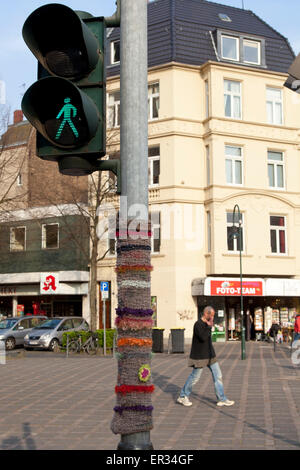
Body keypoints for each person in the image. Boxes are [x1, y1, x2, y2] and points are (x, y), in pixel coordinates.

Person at [177, 306, 235, 407]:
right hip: (200, 356)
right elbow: (203, 337)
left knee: (218, 376)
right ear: (206, 314)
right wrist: (209, 326)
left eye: (213, 315)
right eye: (211, 315)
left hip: (210, 355)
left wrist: (209, 326)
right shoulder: (198, 324)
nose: (213, 318)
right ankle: (183, 396)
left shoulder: (208, 324)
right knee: (195, 377)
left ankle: (222, 399)